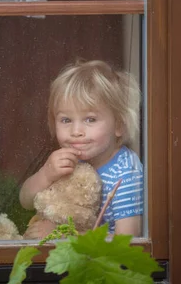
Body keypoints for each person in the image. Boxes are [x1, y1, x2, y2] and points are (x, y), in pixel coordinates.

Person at [19, 59, 143, 238]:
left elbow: (127, 239)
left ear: (119, 125)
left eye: (90, 119)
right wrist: (46, 174)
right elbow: (25, 201)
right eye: (66, 120)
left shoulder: (124, 173)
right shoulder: (68, 159)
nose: (76, 132)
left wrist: (65, 234)